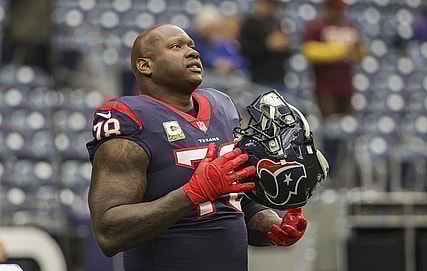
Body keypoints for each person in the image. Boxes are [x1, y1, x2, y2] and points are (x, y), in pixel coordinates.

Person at [86, 24, 307, 271]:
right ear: (145, 65)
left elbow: (234, 203)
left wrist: (271, 227)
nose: (193, 52)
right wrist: (191, 193)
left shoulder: (222, 106)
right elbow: (108, 232)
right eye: (176, 46)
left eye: (192, 46)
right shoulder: (131, 118)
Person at [303, 0, 366, 118]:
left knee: (347, 123)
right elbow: (309, 51)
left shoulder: (349, 27)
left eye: (340, 9)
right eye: (335, 9)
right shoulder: (318, 27)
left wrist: (358, 50)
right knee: (328, 124)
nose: (339, 12)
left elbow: (360, 55)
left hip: (346, 87)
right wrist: (339, 51)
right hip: (325, 88)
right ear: (328, 8)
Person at [240, 0, 291, 97]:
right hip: (259, 77)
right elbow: (245, 49)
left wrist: (284, 46)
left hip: (278, 77)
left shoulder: (276, 23)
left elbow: (288, 52)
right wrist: (267, 45)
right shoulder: (250, 24)